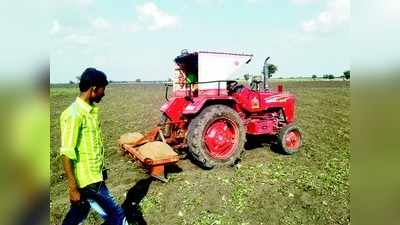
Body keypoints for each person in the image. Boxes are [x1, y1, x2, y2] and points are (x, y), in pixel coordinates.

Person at [61, 68, 128, 225]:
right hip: (88, 180)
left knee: (79, 212)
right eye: (103, 90)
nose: (103, 94)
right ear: (94, 89)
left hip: (93, 176)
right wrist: (72, 188)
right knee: (117, 215)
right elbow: (67, 153)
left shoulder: (90, 112)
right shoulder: (74, 114)